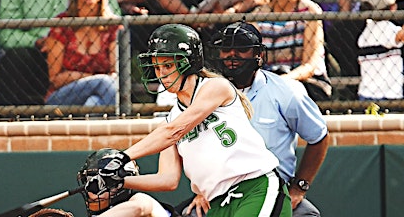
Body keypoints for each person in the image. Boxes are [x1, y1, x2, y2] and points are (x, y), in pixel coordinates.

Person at [85, 24, 292, 216]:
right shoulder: (170, 120)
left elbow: (174, 131)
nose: (162, 74)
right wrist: (118, 181)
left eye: (168, 65)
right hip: (218, 202)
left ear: (188, 62)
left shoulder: (215, 87)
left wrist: (123, 158)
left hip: (255, 187)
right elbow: (167, 179)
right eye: (157, 68)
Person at [178, 22, 329, 217]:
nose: (232, 55)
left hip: (274, 188)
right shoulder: (202, 94)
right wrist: (201, 191)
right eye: (226, 49)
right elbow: (195, 148)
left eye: (241, 48)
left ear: (259, 54)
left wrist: (299, 187)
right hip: (221, 192)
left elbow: (319, 137)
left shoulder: (286, 91)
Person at [0, 0, 121, 105]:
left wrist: (94, 80)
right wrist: (38, 41)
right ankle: (15, 121)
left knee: (93, 102)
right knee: (14, 60)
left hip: (93, 78)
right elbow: (4, 33)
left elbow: (113, 21)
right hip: (38, 57)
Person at [42, 0, 120, 106]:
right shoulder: (61, 25)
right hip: (61, 99)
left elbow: (116, 73)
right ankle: (118, 123)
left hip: (102, 98)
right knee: (104, 83)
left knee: (93, 103)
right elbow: (55, 78)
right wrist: (96, 80)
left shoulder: (114, 26)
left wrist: (92, 80)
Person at [252, 0, 331, 101]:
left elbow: (309, 65)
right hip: (269, 82)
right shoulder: (257, 16)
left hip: (307, 83)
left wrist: (283, 80)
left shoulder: (310, 11)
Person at [77, 148, 180, 217]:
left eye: (98, 183)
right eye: (88, 181)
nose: (89, 190)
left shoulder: (139, 199)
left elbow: (139, 207)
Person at [356, 0, 404, 101]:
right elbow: (400, 36)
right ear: (392, 8)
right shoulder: (386, 28)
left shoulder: (367, 29)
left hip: (366, 94)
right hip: (389, 96)